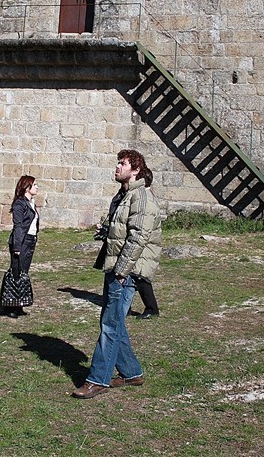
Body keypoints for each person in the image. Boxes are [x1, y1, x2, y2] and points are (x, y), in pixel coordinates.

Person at [72, 149, 162, 399]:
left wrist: (122, 271)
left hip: (127, 271)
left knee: (110, 324)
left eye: (122, 164)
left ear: (136, 170)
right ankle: (132, 372)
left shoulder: (141, 197)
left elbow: (139, 236)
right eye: (118, 163)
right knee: (113, 321)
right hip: (116, 267)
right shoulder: (123, 196)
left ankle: (97, 379)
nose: (117, 167)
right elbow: (122, 230)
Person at [2, 175, 39, 318]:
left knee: (23, 273)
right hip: (21, 242)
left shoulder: (31, 203)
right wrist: (17, 247)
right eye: (34, 185)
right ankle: (10, 305)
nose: (37, 187)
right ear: (27, 187)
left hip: (30, 241)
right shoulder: (20, 204)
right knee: (16, 273)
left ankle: (19, 303)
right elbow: (18, 226)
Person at [131, 167, 160, 320]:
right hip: (145, 245)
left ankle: (152, 309)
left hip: (145, 247)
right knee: (134, 277)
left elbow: (144, 229)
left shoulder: (146, 198)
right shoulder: (145, 196)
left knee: (142, 279)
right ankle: (125, 306)